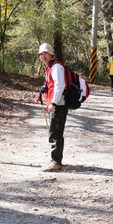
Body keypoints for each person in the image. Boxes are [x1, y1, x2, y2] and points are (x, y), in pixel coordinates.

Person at [36, 43, 68, 172]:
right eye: (41, 54)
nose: (43, 56)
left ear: (51, 54)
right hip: (54, 104)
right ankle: (54, 158)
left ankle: (57, 161)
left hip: (58, 105)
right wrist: (41, 93)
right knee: (53, 132)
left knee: (56, 133)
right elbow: (50, 84)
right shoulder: (49, 67)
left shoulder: (57, 67)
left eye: (45, 53)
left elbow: (60, 86)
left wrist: (54, 103)